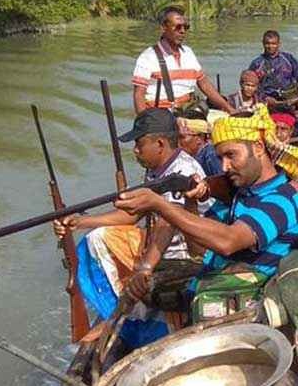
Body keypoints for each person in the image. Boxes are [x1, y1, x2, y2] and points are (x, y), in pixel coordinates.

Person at [113, 105, 298, 298]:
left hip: (242, 301)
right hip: (211, 287)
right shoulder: (239, 194)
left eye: (231, 155)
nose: (225, 167)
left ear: (258, 147)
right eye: (220, 158)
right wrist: (191, 201)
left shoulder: (282, 199)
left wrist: (159, 205)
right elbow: (197, 250)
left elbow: (228, 241)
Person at [54, 109, 213, 335]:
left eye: (139, 144)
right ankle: (126, 312)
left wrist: (145, 267)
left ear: (160, 144)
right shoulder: (157, 170)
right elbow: (134, 214)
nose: (136, 150)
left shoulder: (182, 171)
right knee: (98, 236)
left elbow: (167, 223)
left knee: (103, 243)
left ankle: (134, 318)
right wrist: (81, 222)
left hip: (184, 255)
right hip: (157, 245)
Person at [132, 5, 234, 115]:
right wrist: (144, 121)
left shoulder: (188, 53)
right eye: (178, 27)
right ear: (163, 27)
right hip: (161, 115)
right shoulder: (148, 57)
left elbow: (204, 84)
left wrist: (229, 109)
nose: (182, 31)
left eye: (186, 27)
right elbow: (139, 95)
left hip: (189, 111)